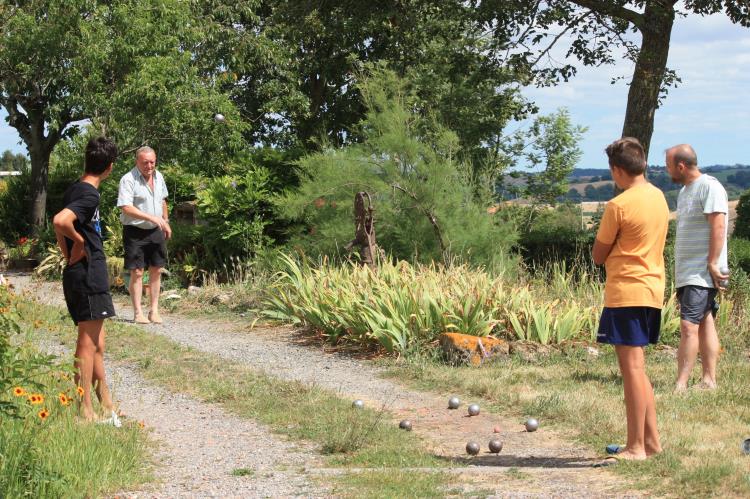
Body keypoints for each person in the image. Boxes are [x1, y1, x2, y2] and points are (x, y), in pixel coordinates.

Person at [593, 137, 668, 464]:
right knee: (639, 370)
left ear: (618, 170)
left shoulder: (618, 206)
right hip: (652, 291)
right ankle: (651, 443)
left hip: (626, 292)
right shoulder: (660, 197)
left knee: (632, 370)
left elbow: (598, 255)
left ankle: (635, 447)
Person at [53, 136, 121, 425]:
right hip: (88, 274)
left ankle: (106, 405)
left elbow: (59, 225)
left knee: (97, 344)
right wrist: (79, 244)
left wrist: (67, 249)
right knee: (87, 343)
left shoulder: (74, 189)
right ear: (109, 167)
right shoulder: (90, 194)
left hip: (80, 272)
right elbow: (60, 221)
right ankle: (85, 410)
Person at [665, 144, 728, 391]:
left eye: (669, 165)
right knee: (705, 320)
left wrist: (712, 262)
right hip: (690, 271)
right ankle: (709, 380)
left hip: (701, 271)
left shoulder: (710, 187)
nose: (667, 170)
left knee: (688, 325)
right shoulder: (685, 191)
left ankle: (681, 384)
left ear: (681, 166)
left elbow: (719, 226)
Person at [117, 146, 171, 324]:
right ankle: (138, 313)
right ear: (137, 162)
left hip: (156, 229)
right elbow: (126, 207)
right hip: (135, 231)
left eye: (152, 162)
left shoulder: (159, 176)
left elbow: (163, 200)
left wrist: (165, 221)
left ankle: (154, 310)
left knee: (156, 269)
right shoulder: (128, 179)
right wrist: (153, 218)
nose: (149, 166)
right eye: (145, 162)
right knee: (137, 272)